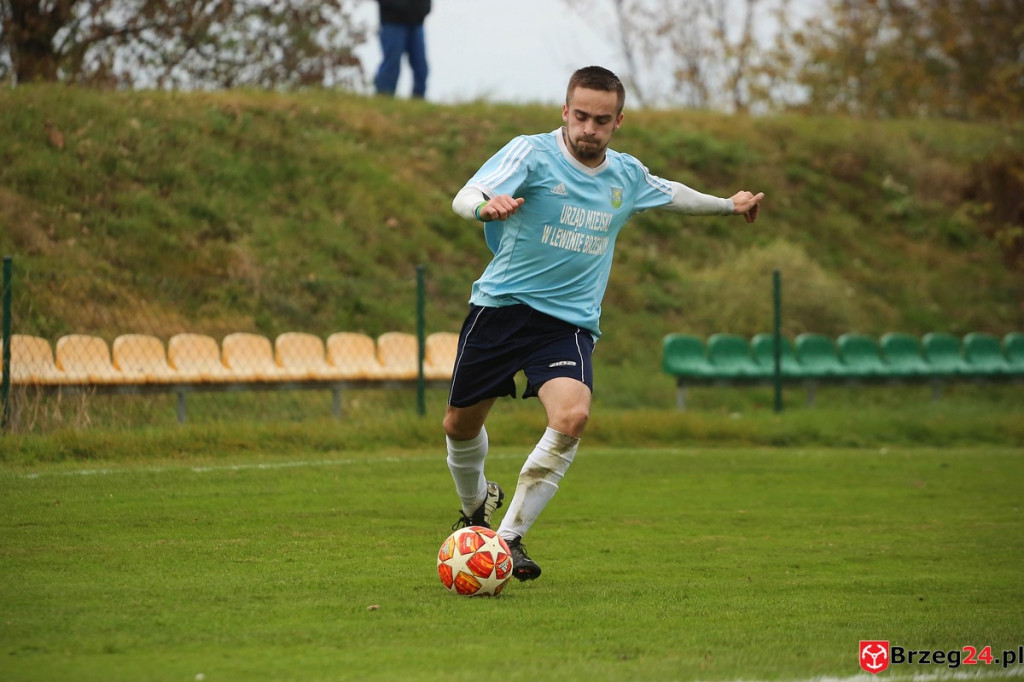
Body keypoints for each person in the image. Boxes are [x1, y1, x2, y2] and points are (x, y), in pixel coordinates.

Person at [445, 65, 764, 582]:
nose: (588, 129)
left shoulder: (626, 175)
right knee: (459, 427)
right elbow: (467, 194)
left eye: (600, 120)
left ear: (618, 122)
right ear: (564, 111)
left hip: (567, 324)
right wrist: (484, 208)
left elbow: (673, 193)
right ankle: (475, 507)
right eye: (580, 116)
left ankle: (507, 540)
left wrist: (730, 205)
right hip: (501, 308)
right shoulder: (531, 153)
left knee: (572, 417)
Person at [373, 0, 431, 98]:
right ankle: (384, 96)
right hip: (392, 22)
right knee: (392, 63)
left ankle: (418, 100)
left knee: (421, 65)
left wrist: (424, 8)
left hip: (416, 22)